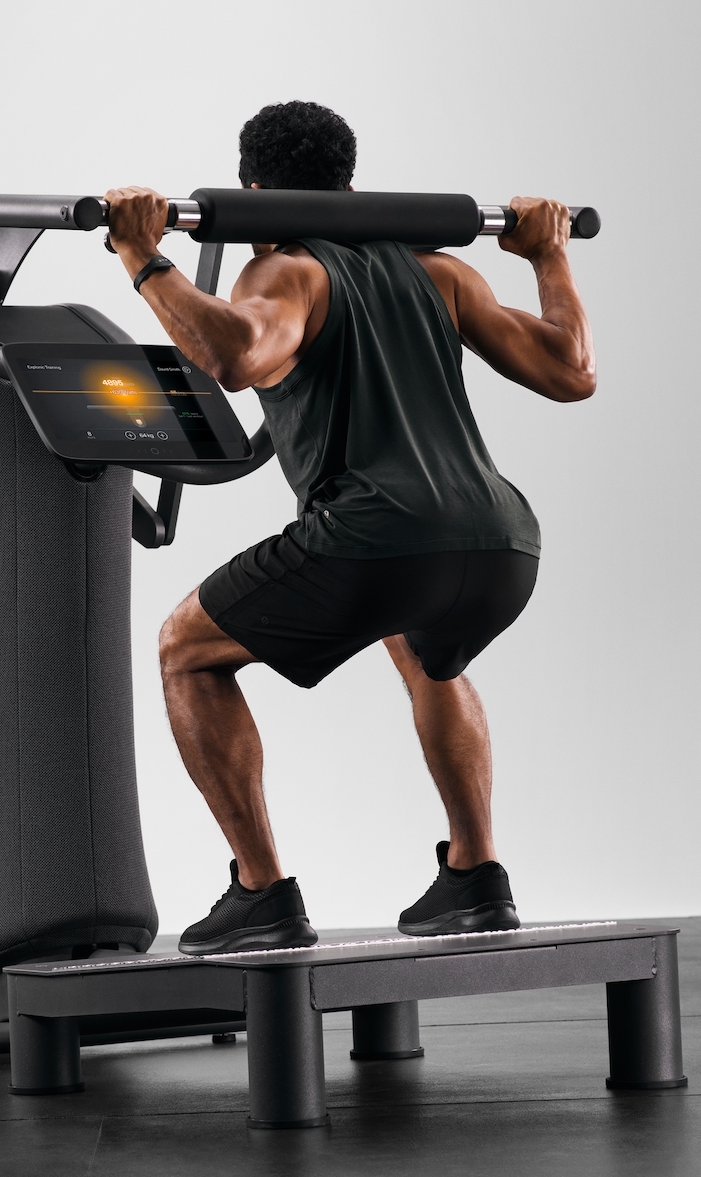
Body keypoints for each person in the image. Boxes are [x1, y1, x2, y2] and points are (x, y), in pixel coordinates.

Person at [105, 101, 595, 955]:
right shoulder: (439, 271)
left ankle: (261, 893)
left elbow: (235, 355)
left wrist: (144, 256)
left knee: (186, 647)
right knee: (428, 652)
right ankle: (476, 876)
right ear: (349, 185)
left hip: (379, 537)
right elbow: (572, 368)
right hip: (504, 541)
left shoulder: (285, 272)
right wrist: (548, 255)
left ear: (253, 189)